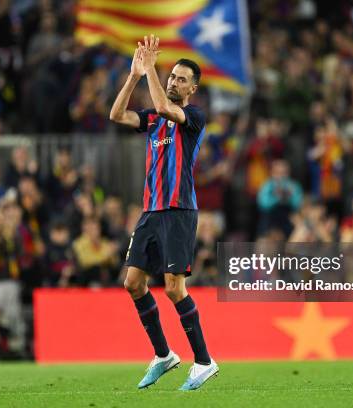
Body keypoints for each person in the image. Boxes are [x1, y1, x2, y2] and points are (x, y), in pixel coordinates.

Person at [109, 35, 218, 391]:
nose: (173, 81)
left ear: (193, 89)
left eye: (181, 78)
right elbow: (116, 115)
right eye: (171, 76)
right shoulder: (152, 118)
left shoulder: (193, 117)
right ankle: (163, 355)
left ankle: (204, 362)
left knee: (174, 288)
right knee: (133, 283)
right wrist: (133, 76)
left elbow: (168, 107)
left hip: (178, 211)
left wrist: (151, 70)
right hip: (150, 212)